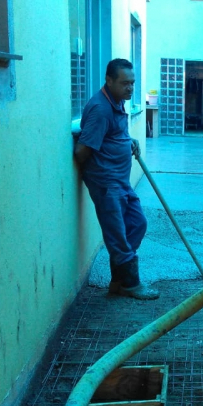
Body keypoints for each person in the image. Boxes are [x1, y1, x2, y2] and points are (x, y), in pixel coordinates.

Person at [74, 58, 159, 300]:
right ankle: (130, 284)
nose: (130, 88)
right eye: (124, 83)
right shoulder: (101, 108)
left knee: (138, 223)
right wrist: (99, 177)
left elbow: (115, 134)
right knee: (118, 235)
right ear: (109, 81)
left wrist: (127, 141)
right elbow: (82, 151)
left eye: (132, 83)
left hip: (121, 182)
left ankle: (118, 279)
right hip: (107, 184)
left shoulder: (118, 102)